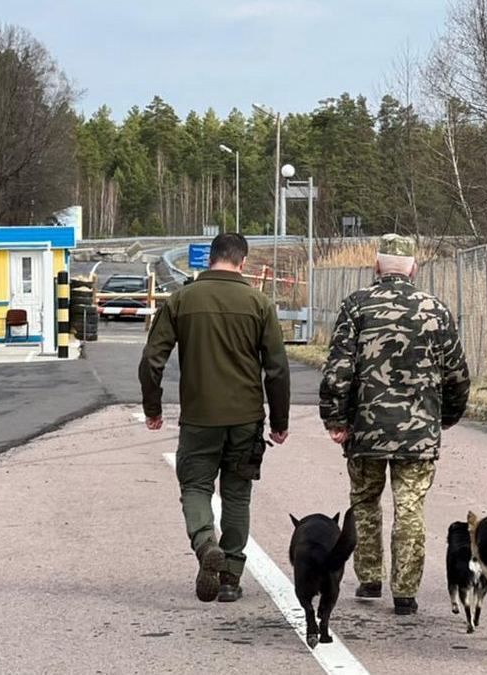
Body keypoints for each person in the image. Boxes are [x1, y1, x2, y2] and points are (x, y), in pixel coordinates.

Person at [320, 233, 470, 616]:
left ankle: (369, 578)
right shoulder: (436, 310)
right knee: (410, 507)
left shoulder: (357, 307)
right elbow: (456, 374)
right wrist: (446, 417)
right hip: (419, 430)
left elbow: (338, 370)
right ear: (414, 269)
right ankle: (405, 591)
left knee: (365, 500)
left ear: (376, 266)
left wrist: (335, 419)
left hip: (366, 428)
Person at [139, 233, 291, 603]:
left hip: (199, 417)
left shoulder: (182, 300)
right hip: (246, 418)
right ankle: (230, 578)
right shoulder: (258, 302)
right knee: (237, 495)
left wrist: (153, 408)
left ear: (211, 259)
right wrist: (279, 421)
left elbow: (151, 361)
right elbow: (277, 369)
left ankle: (206, 542)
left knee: (195, 487)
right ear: (242, 262)